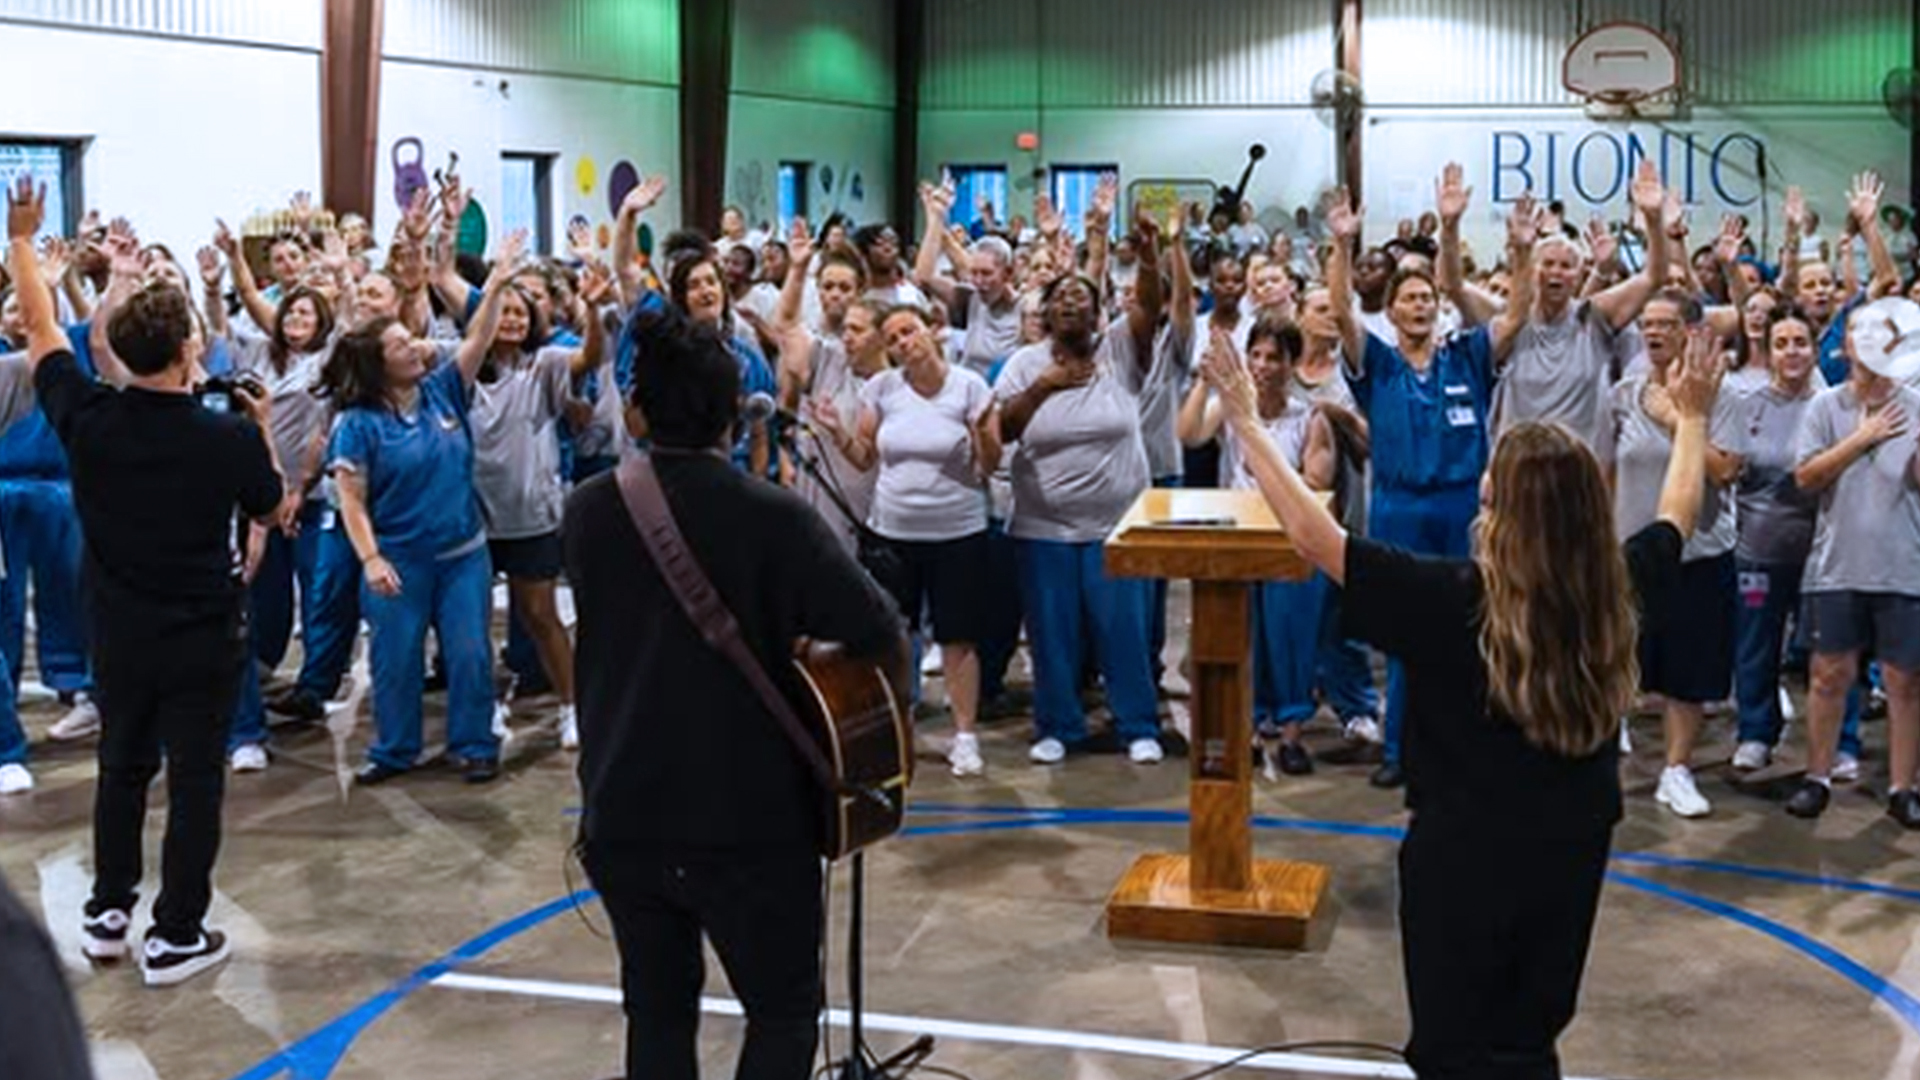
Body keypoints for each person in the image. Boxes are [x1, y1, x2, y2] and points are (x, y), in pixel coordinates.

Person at [1202, 293, 1725, 1080]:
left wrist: (1244, 421)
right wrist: (1692, 417)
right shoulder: (1616, 587)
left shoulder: (1453, 602)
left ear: (1501, 507)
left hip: (1462, 852)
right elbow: (1679, 511)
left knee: (1453, 1043)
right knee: (1527, 1034)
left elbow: (1315, 537)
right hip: (1574, 841)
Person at [567, 302, 905, 1080]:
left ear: (637, 409)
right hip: (749, 819)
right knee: (782, 1016)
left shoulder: (586, 512)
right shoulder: (774, 516)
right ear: (733, 415)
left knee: (655, 1014)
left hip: (623, 807)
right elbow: (878, 629)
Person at [9, 177, 286, 986]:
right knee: (195, 781)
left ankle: (106, 914)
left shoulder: (87, 420)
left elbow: (37, 326)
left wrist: (22, 238)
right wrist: (263, 431)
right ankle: (176, 934)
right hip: (202, 632)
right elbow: (270, 503)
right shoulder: (227, 436)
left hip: (119, 630)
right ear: (189, 352)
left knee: (122, 768)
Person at [1328, 186, 1536, 788]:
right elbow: (1340, 310)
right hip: (1397, 508)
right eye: (1407, 299)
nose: (1418, 307)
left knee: (1477, 627)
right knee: (1403, 634)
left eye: (1426, 297)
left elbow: (1516, 314)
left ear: (1439, 306)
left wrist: (1520, 251)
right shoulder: (1379, 363)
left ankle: (1471, 744)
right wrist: (1342, 242)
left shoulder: (1467, 356)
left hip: (1462, 507)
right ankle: (1400, 753)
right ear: (1391, 313)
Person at [324, 232, 527, 785]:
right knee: (396, 663)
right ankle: (394, 750)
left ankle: (474, 744)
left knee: (468, 655)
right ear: (376, 364)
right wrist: (370, 560)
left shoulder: (443, 389)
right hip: (397, 561)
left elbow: (481, 337)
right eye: (400, 346)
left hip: (462, 555)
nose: (415, 346)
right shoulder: (358, 423)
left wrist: (501, 278)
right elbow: (352, 500)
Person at [995, 208, 1167, 766]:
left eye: (1082, 298)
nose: (1072, 303)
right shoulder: (1024, 364)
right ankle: (1057, 725)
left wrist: (1146, 256)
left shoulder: (1119, 351)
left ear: (1098, 312)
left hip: (1116, 524)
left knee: (1124, 630)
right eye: (1061, 297)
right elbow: (1003, 430)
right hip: (1043, 526)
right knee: (1052, 634)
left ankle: (1137, 723)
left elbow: (1150, 308)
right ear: (1044, 312)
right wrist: (1044, 386)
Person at [814, 304, 998, 776]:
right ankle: (898, 727)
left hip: (958, 530)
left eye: (909, 332)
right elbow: (863, 458)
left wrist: (982, 436)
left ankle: (964, 735)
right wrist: (836, 431)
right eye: (893, 339)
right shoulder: (882, 390)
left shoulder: (969, 387)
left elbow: (991, 463)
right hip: (894, 529)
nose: (902, 344)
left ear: (932, 332)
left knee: (958, 638)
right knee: (896, 635)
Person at [1611, 289, 1747, 818]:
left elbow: (1726, 470)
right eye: (1647, 323)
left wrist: (1677, 416)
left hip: (1698, 553)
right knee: (1620, 659)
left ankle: (1676, 768)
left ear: (1692, 332)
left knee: (1687, 673)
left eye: (1666, 323)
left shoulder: (1723, 394)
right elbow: (1608, 469)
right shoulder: (1623, 392)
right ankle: (1606, 745)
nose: (1653, 332)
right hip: (1633, 552)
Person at [1178, 317, 1335, 773]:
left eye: (1274, 358)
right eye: (1257, 356)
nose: (1264, 366)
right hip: (1238, 537)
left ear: (1292, 364)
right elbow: (1189, 434)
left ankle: (1290, 735)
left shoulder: (1309, 416)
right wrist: (1206, 385)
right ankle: (1244, 729)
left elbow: (1316, 483)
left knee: (1289, 639)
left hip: (1290, 542)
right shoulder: (1229, 410)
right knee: (1240, 637)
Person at [1788, 298, 1920, 821]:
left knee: (1904, 681)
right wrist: (1862, 438)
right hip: (1835, 565)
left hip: (1903, 563)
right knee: (1827, 675)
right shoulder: (1825, 407)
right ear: (1845, 344)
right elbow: (1805, 478)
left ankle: (1901, 788)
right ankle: (1816, 776)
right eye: (1860, 334)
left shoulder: (1915, 404)